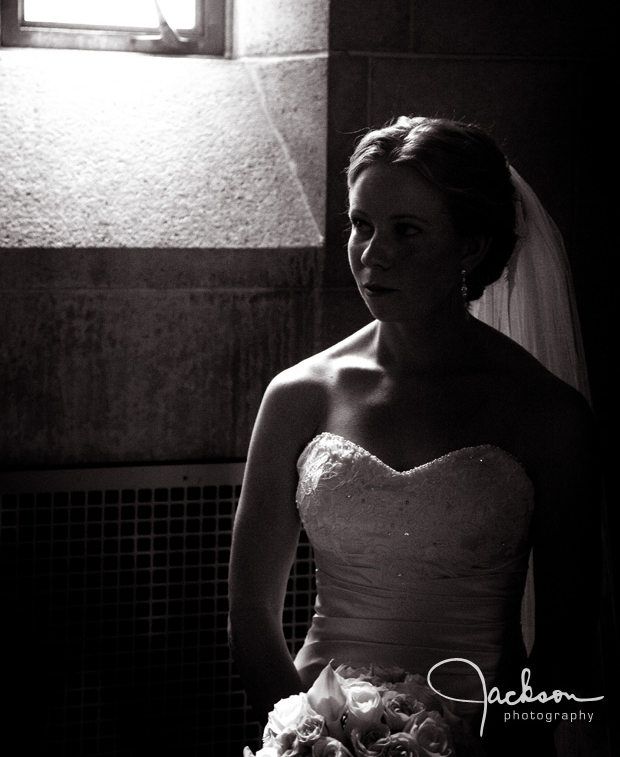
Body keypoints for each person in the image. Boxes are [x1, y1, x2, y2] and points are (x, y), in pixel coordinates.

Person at [228, 116, 602, 755]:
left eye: (407, 230)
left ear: (470, 245)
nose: (372, 255)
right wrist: (306, 738)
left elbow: (568, 643)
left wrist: (480, 746)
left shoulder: (547, 413)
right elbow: (251, 614)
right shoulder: (299, 396)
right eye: (361, 225)